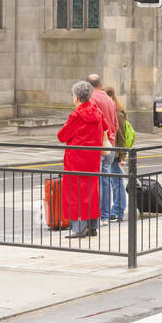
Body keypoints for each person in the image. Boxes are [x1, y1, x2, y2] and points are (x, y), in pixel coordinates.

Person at [58, 80, 109, 238]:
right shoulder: (97, 112)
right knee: (92, 192)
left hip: (76, 160)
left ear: (76, 97)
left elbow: (62, 136)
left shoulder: (76, 115)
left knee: (75, 194)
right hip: (93, 159)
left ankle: (78, 228)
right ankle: (92, 227)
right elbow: (106, 126)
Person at [87, 73, 122, 224]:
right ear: (100, 85)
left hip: (98, 144)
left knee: (96, 181)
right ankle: (106, 216)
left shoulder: (91, 99)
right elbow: (115, 125)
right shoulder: (109, 99)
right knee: (106, 179)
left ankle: (98, 215)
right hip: (110, 144)